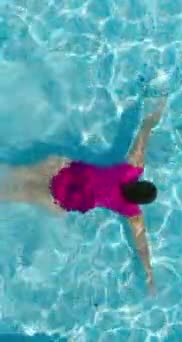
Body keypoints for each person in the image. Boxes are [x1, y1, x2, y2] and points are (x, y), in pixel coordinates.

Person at [0, 97, 167, 294]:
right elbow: (141, 245)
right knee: (13, 194)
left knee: (16, 171)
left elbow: (142, 137)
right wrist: (149, 275)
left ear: (140, 181)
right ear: (140, 202)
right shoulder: (131, 210)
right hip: (58, 199)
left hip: (59, 170)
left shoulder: (131, 169)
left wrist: (154, 114)